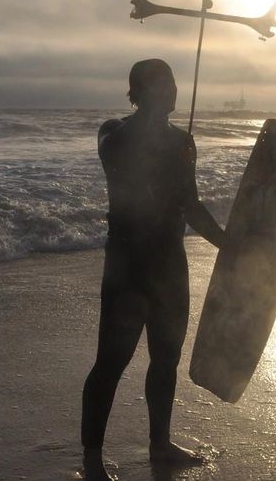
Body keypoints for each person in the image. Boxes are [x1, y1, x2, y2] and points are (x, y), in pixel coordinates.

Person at [82, 58, 227, 480]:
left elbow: (192, 206)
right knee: (111, 361)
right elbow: (120, 157)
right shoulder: (112, 134)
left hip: (169, 263)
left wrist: (226, 244)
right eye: (162, 85)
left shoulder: (183, 142)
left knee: (166, 357)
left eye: (174, 83)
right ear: (139, 92)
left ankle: (160, 445)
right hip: (127, 265)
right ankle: (92, 458)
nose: (173, 92)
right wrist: (158, 141)